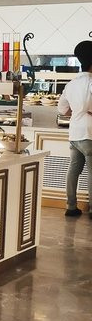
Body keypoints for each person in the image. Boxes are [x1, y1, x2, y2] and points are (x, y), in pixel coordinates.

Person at [58, 40, 92, 217]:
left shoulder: (72, 84)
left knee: (73, 170)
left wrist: (78, 110)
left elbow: (62, 109)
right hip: (89, 133)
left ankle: (71, 207)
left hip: (75, 133)